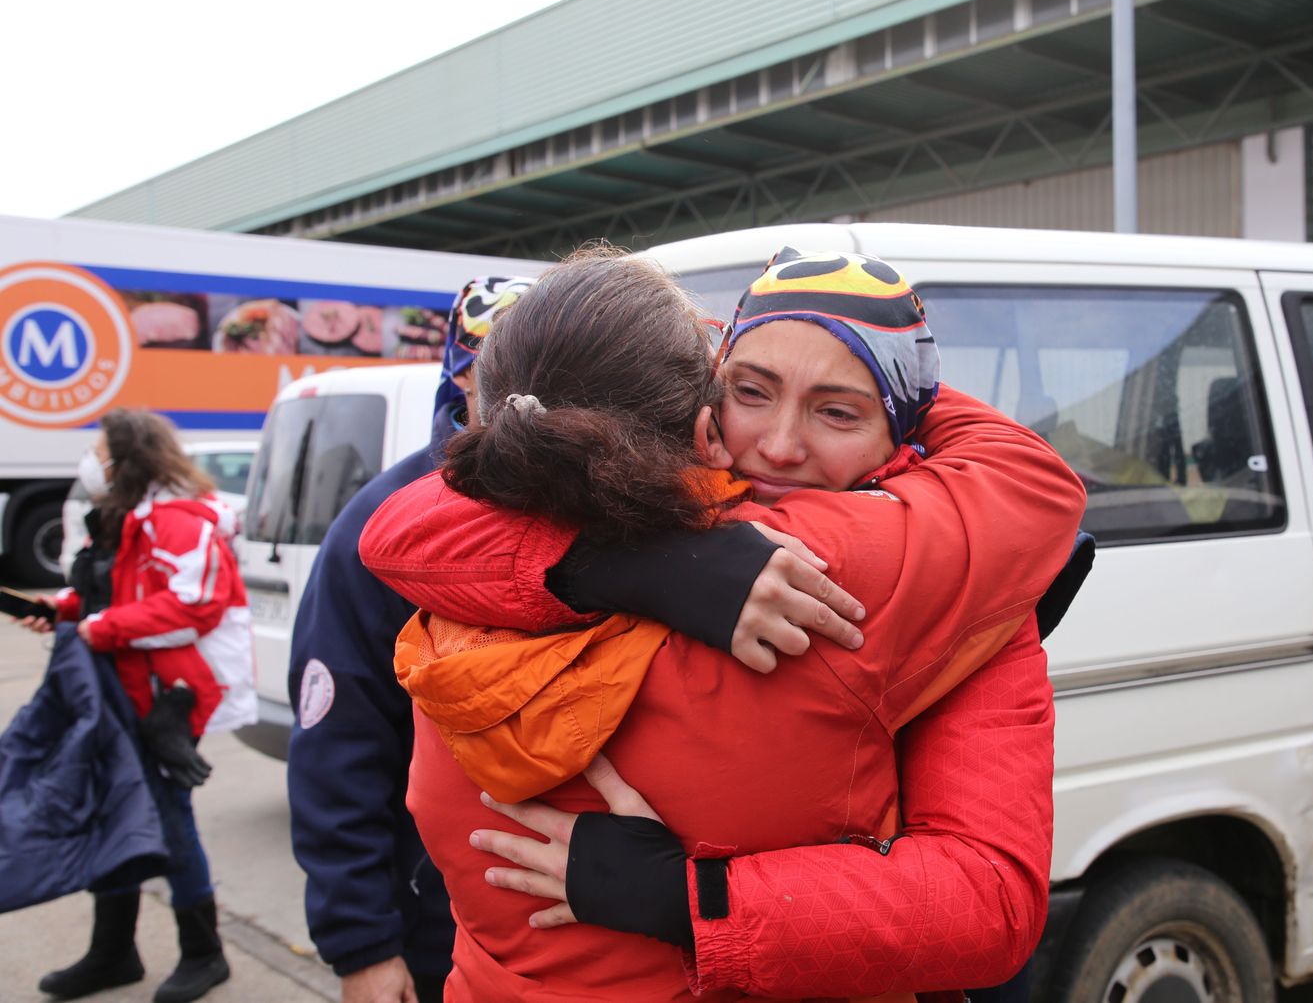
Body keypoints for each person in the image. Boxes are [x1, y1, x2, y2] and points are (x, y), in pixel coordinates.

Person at [359, 246, 1085, 1000]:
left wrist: (688, 898)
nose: (778, 444)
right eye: (751, 391)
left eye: (838, 410)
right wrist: (654, 564)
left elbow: (386, 528)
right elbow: (989, 903)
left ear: (901, 429)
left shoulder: (459, 573)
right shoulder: (912, 569)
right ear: (700, 405)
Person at [285, 275, 534, 1003]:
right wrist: (361, 943)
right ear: (459, 379)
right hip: (439, 934)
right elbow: (338, 743)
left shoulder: (622, 499)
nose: (526, 406)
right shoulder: (385, 526)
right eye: (498, 381)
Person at [20, 408, 256, 1003]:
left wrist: (99, 629)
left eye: (99, 453)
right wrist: (64, 609)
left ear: (128, 460)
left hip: (166, 699)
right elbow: (114, 590)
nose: (91, 463)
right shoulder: (123, 517)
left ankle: (205, 954)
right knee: (111, 810)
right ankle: (113, 951)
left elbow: (191, 605)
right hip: (116, 690)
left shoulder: (181, 521)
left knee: (166, 816)